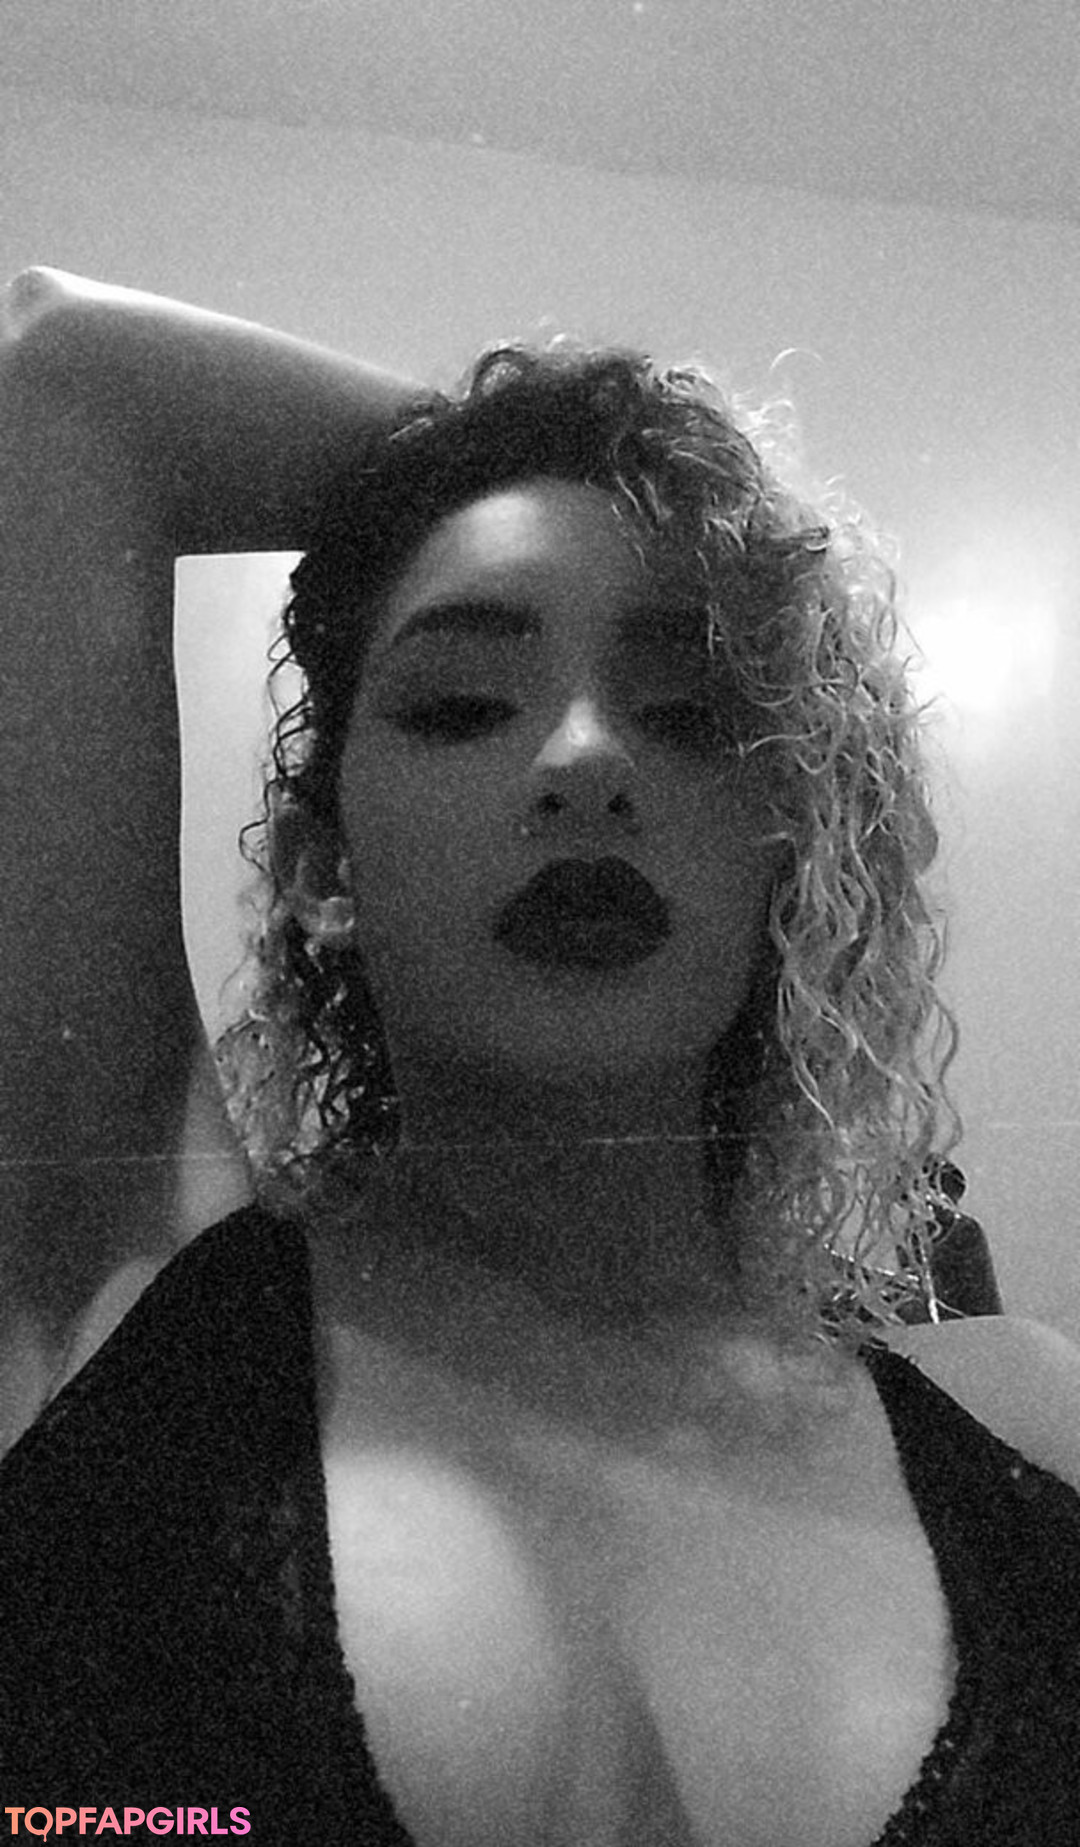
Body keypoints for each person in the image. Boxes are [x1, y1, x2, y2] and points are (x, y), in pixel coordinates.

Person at [1, 270, 1079, 1847]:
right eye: (461, 704)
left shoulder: (1030, 1426)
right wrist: (609, 469)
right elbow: (65, 379)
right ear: (321, 871)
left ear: (788, 853)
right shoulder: (123, 1275)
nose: (584, 760)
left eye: (693, 712)